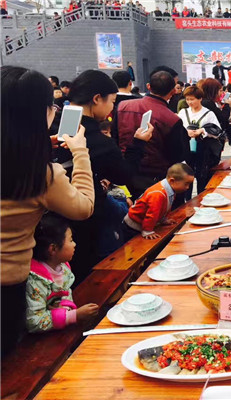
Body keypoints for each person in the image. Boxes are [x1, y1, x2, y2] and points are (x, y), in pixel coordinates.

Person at [1, 66, 94, 354]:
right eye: (52, 107)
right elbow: (83, 207)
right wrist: (80, 151)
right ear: (39, 114)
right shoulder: (40, 175)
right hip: (7, 285)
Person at [61, 70, 153, 282]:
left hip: (54, 222)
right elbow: (124, 175)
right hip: (88, 220)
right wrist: (139, 144)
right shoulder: (96, 139)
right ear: (96, 99)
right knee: (96, 275)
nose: (112, 108)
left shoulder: (56, 127)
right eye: (111, 101)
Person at [117, 70, 188, 199]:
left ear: (148, 86)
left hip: (124, 173)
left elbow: (115, 137)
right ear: (173, 91)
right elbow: (176, 155)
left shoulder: (123, 106)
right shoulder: (171, 119)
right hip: (155, 178)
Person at [26, 214, 99, 333]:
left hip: (56, 326)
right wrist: (73, 315)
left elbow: (66, 293)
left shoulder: (62, 267)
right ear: (53, 249)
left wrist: (65, 308)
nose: (74, 244)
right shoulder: (35, 281)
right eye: (70, 240)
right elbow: (35, 321)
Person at [123, 163, 194, 241]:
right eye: (186, 184)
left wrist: (163, 219)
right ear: (172, 181)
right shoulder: (158, 194)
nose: (187, 187)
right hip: (133, 226)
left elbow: (165, 207)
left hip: (145, 223)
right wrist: (147, 231)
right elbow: (152, 214)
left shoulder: (170, 189)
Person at [177, 85, 220, 198]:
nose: (189, 102)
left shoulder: (209, 113)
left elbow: (217, 131)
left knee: (202, 177)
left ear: (200, 98)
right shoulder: (183, 112)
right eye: (187, 99)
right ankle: (187, 202)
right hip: (186, 149)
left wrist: (202, 131)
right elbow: (177, 128)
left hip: (203, 150)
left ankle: (202, 200)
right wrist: (186, 132)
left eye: (192, 99)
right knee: (186, 177)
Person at [199, 78, 230, 190]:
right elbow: (223, 118)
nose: (221, 93)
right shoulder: (208, 103)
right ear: (213, 90)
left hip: (209, 144)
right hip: (209, 145)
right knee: (207, 173)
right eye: (220, 90)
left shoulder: (208, 102)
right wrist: (227, 106)